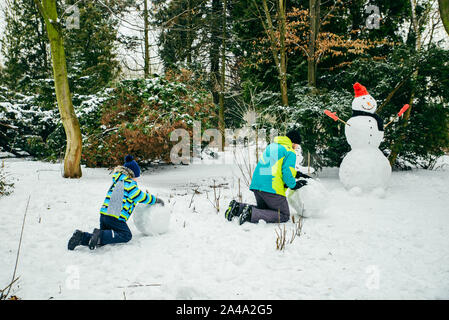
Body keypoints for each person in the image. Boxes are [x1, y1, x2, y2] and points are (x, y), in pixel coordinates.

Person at [68, 155, 165, 250]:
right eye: (136, 177)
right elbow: (139, 196)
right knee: (125, 235)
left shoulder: (117, 182)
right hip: (115, 217)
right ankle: (100, 234)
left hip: (104, 216)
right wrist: (154, 200)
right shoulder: (128, 183)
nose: (137, 179)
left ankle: (81, 237)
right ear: (131, 175)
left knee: (102, 239)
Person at [225, 129, 311, 225]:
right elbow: (286, 172)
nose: (296, 148)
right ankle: (251, 213)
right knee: (283, 214)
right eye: (297, 145)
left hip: (257, 186)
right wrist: (293, 185)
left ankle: (238, 207)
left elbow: (272, 168)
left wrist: (296, 174)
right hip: (271, 189)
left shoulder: (272, 146)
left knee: (266, 210)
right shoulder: (290, 151)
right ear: (294, 142)